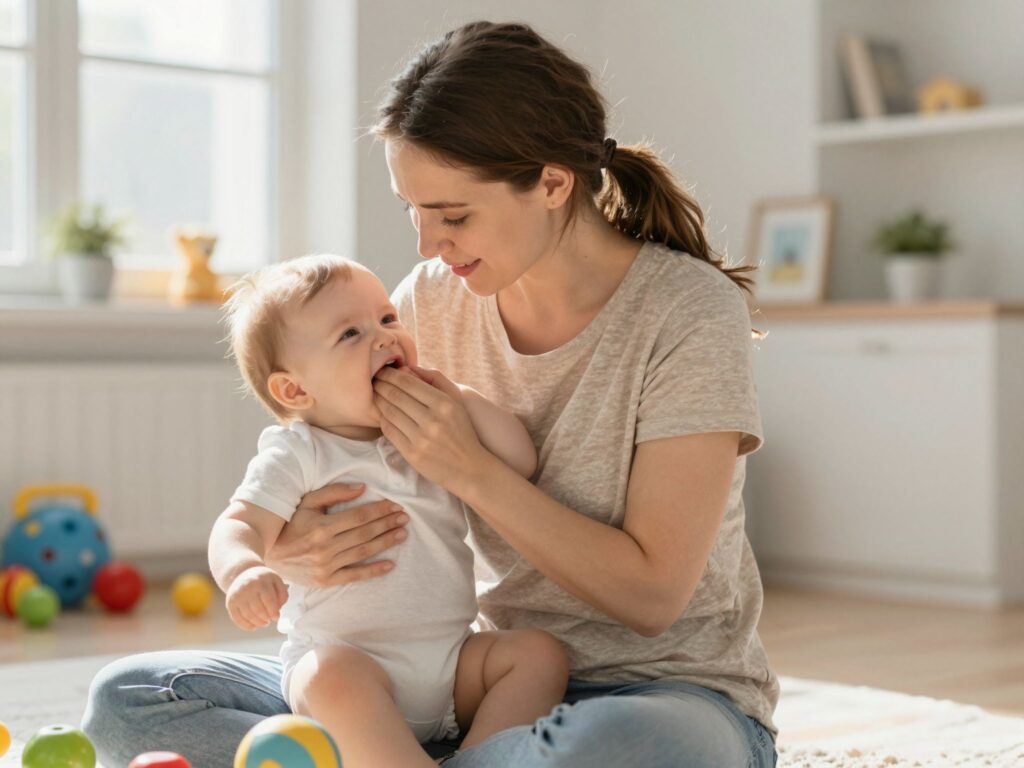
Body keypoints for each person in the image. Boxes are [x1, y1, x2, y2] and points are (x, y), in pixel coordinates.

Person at [83, 20, 779, 767]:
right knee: (131, 702)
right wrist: (292, 552)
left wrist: (470, 469)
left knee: (625, 747)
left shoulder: (687, 311)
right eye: (412, 210)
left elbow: (652, 598)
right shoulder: (432, 301)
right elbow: (316, 464)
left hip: (657, 697)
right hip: (458, 683)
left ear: (552, 181)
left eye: (451, 215)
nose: (425, 246)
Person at [211, 254, 568, 767]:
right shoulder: (299, 453)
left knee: (539, 656)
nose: (384, 338)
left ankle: (476, 759)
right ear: (295, 389)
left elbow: (522, 460)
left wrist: (458, 401)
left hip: (450, 667)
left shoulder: (431, 426)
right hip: (354, 669)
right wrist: (244, 571)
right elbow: (238, 524)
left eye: (387, 319)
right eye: (350, 335)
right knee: (326, 678)